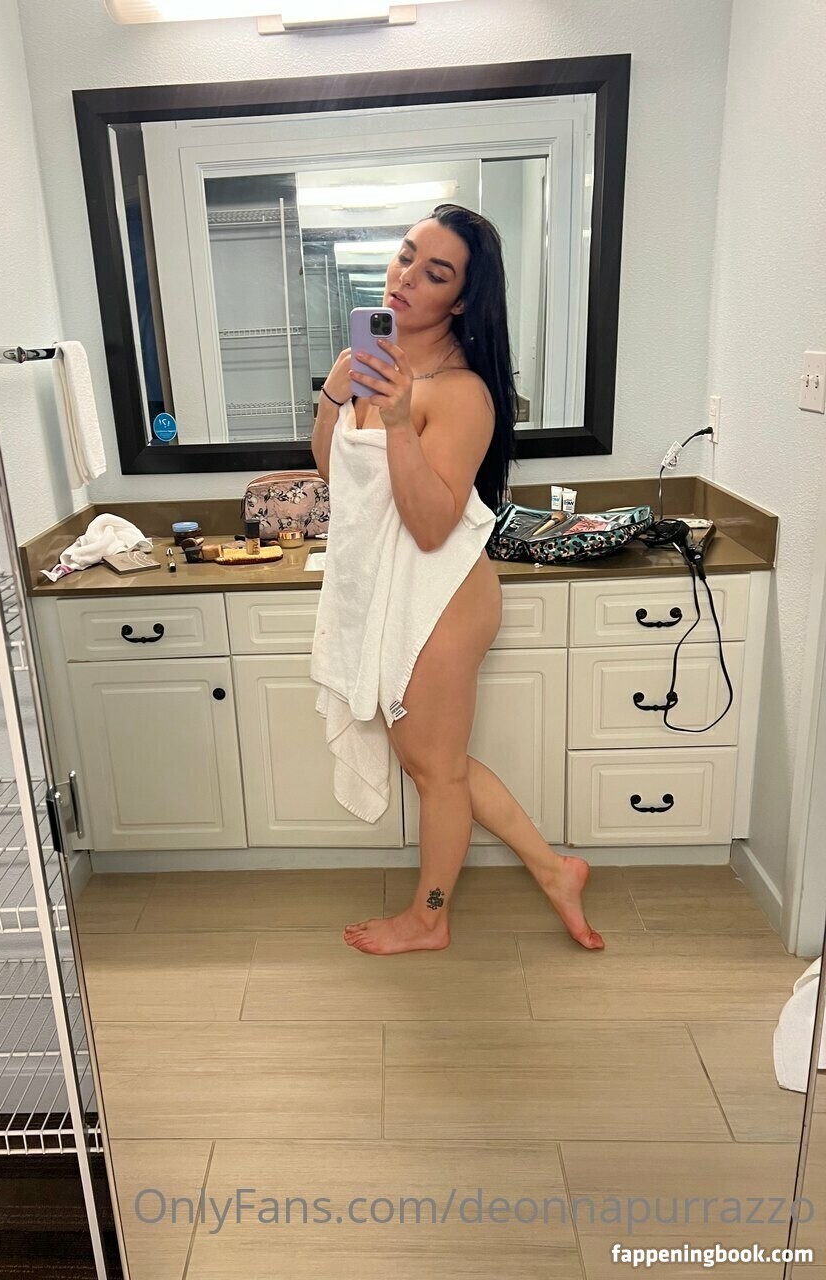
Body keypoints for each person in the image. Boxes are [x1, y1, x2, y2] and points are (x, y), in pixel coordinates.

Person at [310, 203, 604, 956]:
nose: (407, 277)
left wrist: (399, 420)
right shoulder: (375, 363)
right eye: (407, 254)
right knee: (435, 762)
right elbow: (335, 470)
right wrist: (338, 392)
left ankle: (430, 918)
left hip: (440, 598)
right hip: (397, 589)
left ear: (463, 300)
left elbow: (431, 525)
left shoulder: (461, 393)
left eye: (435, 273)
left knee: (435, 771)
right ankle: (555, 871)